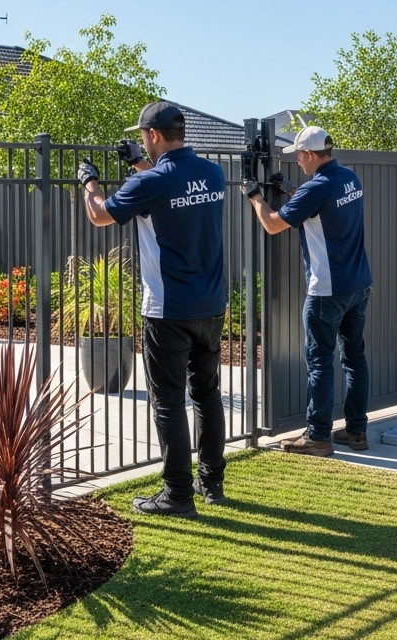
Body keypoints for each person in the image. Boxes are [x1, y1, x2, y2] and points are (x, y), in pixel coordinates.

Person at [78, 101, 227, 517]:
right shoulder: (212, 173)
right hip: (211, 304)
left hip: (168, 309)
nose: (143, 141)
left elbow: (100, 216)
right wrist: (139, 163)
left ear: (155, 135)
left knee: (168, 401)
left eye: (144, 136)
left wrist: (89, 182)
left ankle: (177, 495)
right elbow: (171, 190)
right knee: (207, 394)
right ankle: (211, 483)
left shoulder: (152, 182)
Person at [242, 125, 373, 456]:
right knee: (354, 359)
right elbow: (321, 208)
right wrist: (291, 190)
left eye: (299, 155)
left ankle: (318, 436)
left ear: (310, 154)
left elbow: (273, 224)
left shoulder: (316, 188)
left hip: (327, 290)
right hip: (358, 284)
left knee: (320, 363)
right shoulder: (349, 178)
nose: (297, 160)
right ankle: (356, 432)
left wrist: (255, 196)